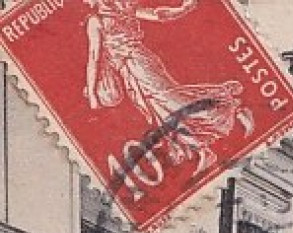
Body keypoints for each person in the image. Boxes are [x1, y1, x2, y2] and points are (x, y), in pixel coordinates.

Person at [82, 0, 255, 175]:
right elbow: (94, 57)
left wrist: (183, 8)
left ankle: (233, 107)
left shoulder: (120, 12)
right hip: (130, 74)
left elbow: (158, 14)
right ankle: (202, 152)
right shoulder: (100, 19)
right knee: (160, 115)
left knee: (174, 103)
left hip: (140, 64)